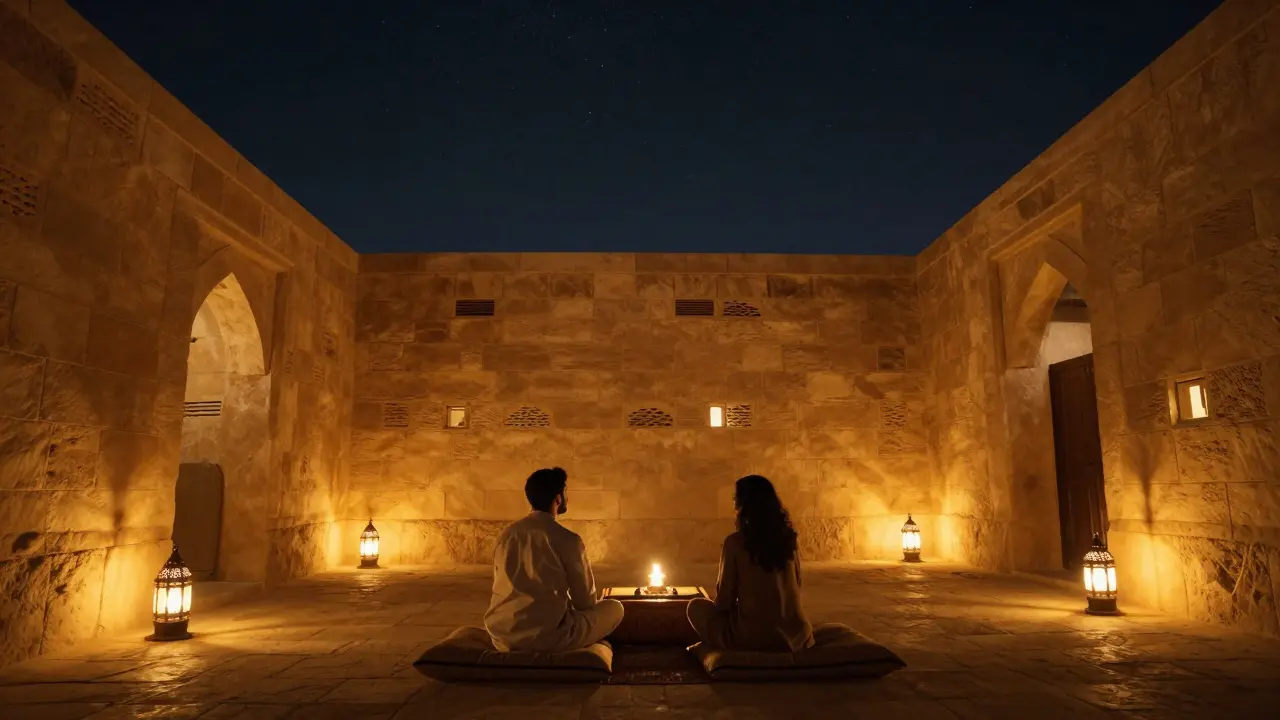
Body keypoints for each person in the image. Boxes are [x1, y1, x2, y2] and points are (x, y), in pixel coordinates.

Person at [483, 467, 624, 652]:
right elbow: (585, 603)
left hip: (502, 636)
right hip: (546, 637)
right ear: (558, 498)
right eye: (565, 493)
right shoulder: (568, 539)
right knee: (614, 608)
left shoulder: (507, 535)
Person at [687, 474, 814, 652]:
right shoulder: (790, 539)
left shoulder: (735, 543)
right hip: (798, 636)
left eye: (735, 499)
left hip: (753, 638)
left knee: (695, 607)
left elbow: (724, 602)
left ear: (743, 506)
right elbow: (796, 584)